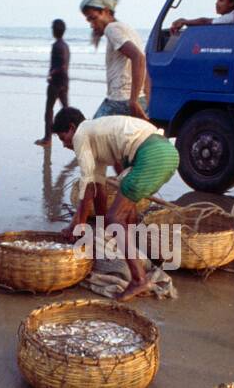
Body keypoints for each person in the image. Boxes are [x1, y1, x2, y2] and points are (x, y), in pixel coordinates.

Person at [53, 106, 178, 302]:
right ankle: (131, 257)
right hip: (167, 153)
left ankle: (138, 279)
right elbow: (98, 188)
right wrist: (101, 231)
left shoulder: (81, 135)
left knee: (115, 218)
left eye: (62, 138)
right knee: (124, 214)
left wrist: (77, 224)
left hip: (152, 155)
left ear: (71, 128)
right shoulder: (96, 138)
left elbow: (86, 187)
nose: (64, 144)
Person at [80, 0, 148, 120]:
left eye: (93, 18)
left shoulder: (111, 29)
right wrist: (144, 99)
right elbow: (145, 65)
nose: (92, 25)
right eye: (89, 20)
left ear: (105, 11)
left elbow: (139, 58)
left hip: (120, 100)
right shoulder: (127, 29)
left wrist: (132, 101)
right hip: (138, 99)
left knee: (88, 133)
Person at [35, 18, 70, 145]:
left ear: (54, 30)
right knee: (67, 110)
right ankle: (77, 134)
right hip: (65, 81)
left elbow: (61, 65)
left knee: (49, 111)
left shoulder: (56, 46)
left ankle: (47, 138)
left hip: (56, 82)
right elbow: (64, 65)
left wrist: (51, 74)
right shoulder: (65, 46)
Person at [170, 0, 234, 33]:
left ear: (231, 3)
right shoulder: (232, 16)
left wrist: (184, 21)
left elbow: (204, 21)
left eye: (221, 0)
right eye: (217, 0)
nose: (216, 3)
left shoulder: (231, 17)